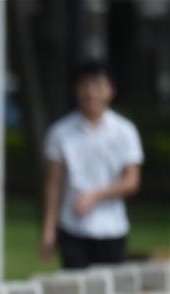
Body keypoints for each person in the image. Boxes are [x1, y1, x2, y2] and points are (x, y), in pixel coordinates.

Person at [39, 60, 143, 269]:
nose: (91, 92)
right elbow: (54, 183)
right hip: (73, 227)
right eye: (85, 85)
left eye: (98, 86)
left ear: (110, 90)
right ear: (77, 90)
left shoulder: (125, 131)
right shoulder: (61, 132)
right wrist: (49, 230)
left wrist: (95, 195)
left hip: (112, 227)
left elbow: (132, 181)